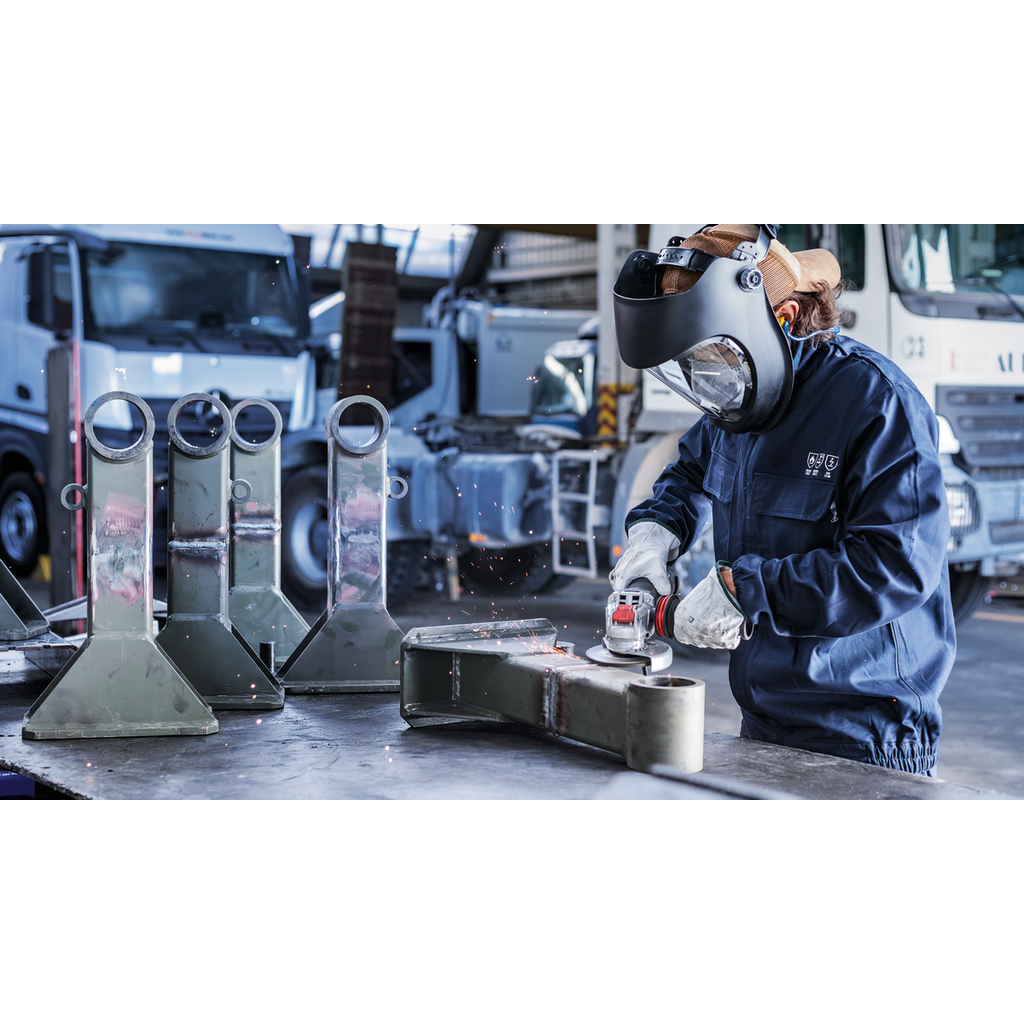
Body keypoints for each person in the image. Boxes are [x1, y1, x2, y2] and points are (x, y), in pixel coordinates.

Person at [610, 224, 956, 776]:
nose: (703, 376)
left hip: (866, 734)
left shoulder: (876, 404)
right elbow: (690, 471)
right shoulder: (742, 398)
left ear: (785, 319)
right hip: (764, 720)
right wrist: (655, 534)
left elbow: (896, 567)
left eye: (708, 353)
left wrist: (745, 592)